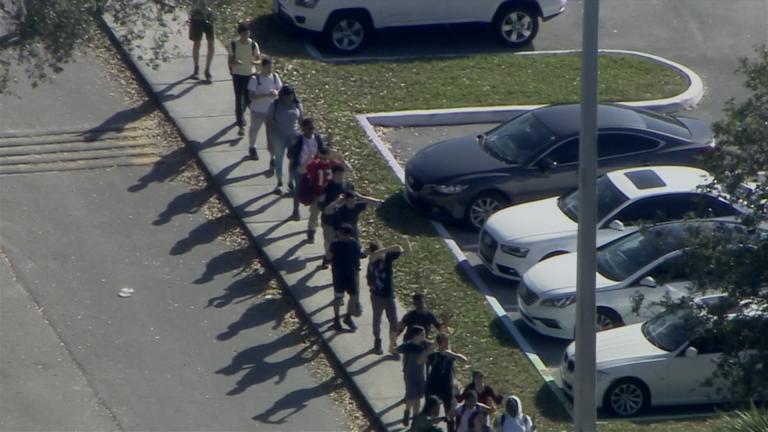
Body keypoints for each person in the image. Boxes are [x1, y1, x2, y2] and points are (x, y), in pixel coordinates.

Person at [366, 238, 411, 355]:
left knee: (394, 322)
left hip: (389, 295)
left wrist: (405, 241)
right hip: (376, 296)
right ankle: (377, 341)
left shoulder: (388, 257)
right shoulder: (373, 260)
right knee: (377, 320)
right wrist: (388, 248)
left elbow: (407, 252)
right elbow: (376, 254)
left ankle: (393, 345)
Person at [426, 332, 468, 432]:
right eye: (445, 343)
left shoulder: (450, 355)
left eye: (448, 343)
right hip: (434, 387)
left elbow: (464, 360)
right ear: (440, 344)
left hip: (447, 388)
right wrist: (433, 349)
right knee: (433, 413)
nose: (447, 345)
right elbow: (423, 359)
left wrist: (451, 354)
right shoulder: (434, 355)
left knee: (450, 414)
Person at [266, 85, 303, 194]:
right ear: (282, 96)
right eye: (286, 97)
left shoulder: (297, 105)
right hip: (278, 135)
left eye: (291, 97)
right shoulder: (275, 105)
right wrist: (269, 142)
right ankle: (280, 182)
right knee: (279, 159)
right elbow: (268, 124)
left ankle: (291, 182)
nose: (289, 99)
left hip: (293, 135)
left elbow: (301, 122)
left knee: (293, 160)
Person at [317, 164, 353, 270]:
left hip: (342, 219)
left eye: (342, 174)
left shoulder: (348, 186)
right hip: (328, 220)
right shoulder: (327, 187)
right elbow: (321, 205)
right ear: (333, 174)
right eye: (338, 174)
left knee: (342, 241)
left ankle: (337, 259)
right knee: (330, 241)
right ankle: (327, 259)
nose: (341, 177)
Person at [228, 21, 260, 136]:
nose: (246, 36)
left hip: (250, 75)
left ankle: (240, 116)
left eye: (248, 33)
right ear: (240, 33)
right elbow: (230, 59)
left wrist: (254, 61)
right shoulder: (233, 44)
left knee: (248, 99)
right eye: (244, 34)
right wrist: (234, 63)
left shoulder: (253, 45)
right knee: (239, 99)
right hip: (238, 75)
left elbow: (258, 59)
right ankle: (240, 124)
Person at [328, 223, 362, 331]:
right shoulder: (339, 243)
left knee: (353, 296)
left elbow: (328, 256)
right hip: (339, 274)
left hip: (349, 273)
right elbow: (328, 256)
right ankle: (337, 319)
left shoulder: (350, 243)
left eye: (342, 234)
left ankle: (347, 317)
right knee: (339, 297)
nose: (340, 235)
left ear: (347, 234)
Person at [246, 57, 281, 160]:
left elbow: (279, 89)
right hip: (257, 111)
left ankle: (272, 157)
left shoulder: (275, 77)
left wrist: (276, 93)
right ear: (262, 67)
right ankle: (252, 147)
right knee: (254, 130)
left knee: (271, 135)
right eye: (268, 67)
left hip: (271, 111)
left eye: (271, 67)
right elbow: (251, 96)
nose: (270, 70)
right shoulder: (255, 79)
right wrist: (266, 94)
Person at [395, 325, 430, 428]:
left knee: (418, 397)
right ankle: (407, 412)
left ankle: (415, 419)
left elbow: (434, 345)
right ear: (416, 335)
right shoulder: (408, 346)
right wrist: (393, 342)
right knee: (411, 397)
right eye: (422, 334)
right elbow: (396, 350)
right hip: (409, 374)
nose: (424, 336)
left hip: (420, 374)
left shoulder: (425, 344)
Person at [188, 0, 215, 82]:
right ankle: (196, 68)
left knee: (211, 45)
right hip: (197, 17)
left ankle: (207, 70)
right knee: (197, 43)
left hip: (209, 16)